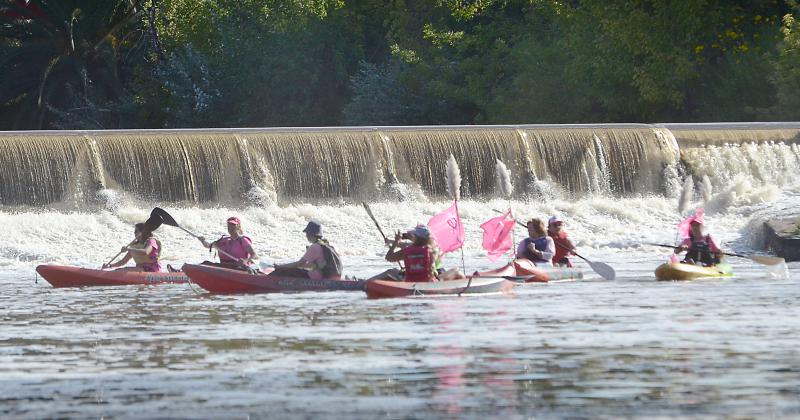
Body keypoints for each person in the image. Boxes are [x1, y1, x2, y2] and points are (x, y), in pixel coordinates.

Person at [271, 221, 342, 279]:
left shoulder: (314, 247)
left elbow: (299, 263)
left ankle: (267, 278)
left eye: (307, 233)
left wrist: (280, 266)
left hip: (314, 277)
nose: (306, 235)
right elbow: (313, 265)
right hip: (324, 276)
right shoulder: (325, 245)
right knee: (295, 270)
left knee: (283, 271)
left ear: (310, 234)